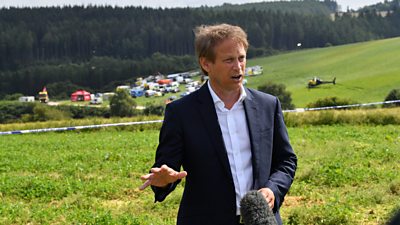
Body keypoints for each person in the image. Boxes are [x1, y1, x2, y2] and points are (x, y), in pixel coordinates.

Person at [139, 23, 297, 225]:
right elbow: (167, 168)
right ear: (206, 64)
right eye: (229, 60)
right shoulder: (181, 112)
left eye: (241, 58)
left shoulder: (268, 105)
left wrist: (272, 190)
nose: (238, 66)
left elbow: (286, 161)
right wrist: (163, 181)